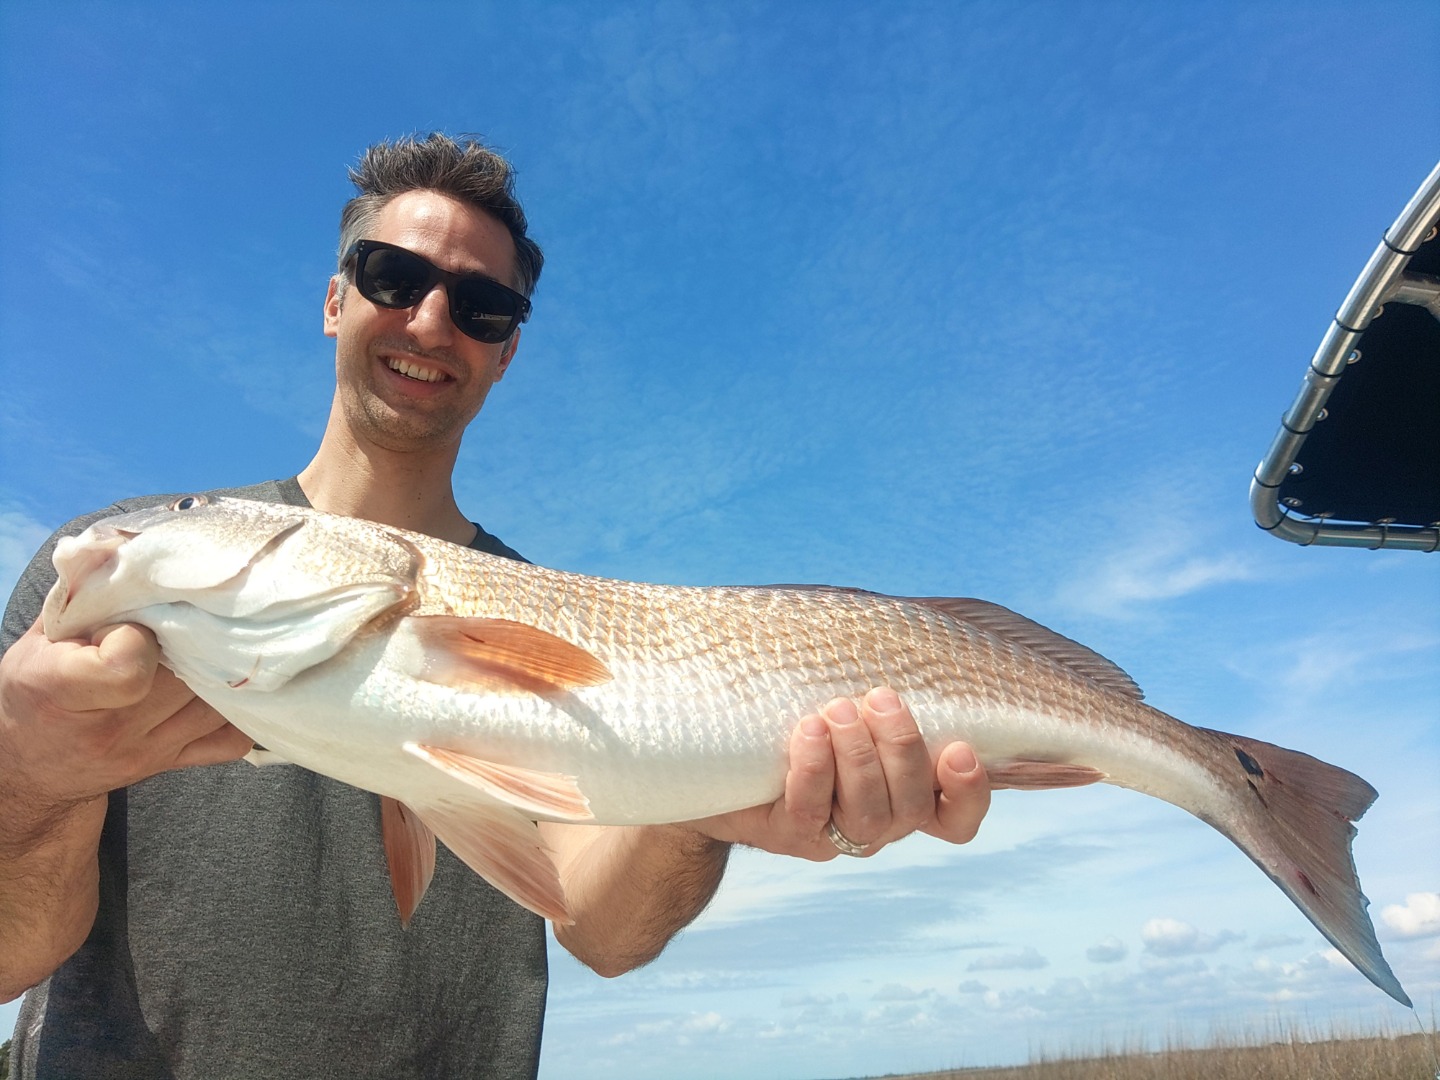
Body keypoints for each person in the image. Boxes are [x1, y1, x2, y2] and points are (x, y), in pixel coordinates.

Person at [0, 134, 991, 1078]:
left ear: (507, 351)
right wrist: (31, 774)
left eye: (482, 306)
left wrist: (705, 803)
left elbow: (602, 929)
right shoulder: (98, 589)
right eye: (393, 276)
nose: (432, 322)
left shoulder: (546, 610)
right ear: (336, 299)